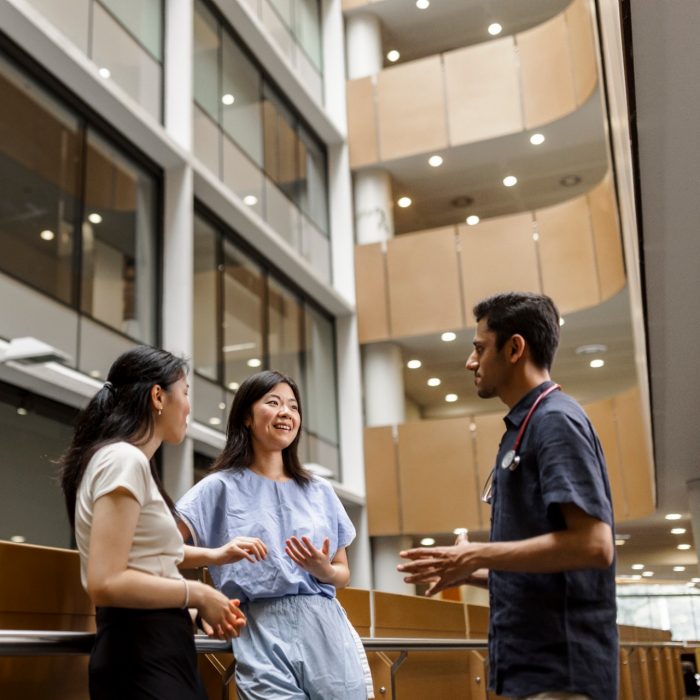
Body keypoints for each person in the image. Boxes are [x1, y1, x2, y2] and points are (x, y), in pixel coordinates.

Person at [398, 292, 618, 700]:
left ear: (515, 348)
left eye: (479, 348)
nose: (470, 362)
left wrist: (477, 554)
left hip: (561, 675)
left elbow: (594, 545)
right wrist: (473, 572)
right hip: (529, 671)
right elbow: (546, 565)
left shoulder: (555, 421)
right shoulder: (524, 427)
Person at [60, 346, 251, 700]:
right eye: (187, 393)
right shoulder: (124, 460)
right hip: (140, 655)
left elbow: (149, 556)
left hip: (155, 649)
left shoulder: (126, 460)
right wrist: (198, 593)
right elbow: (107, 581)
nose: (189, 407)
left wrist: (194, 610)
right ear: (158, 396)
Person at [176, 370, 372, 700]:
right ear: (247, 418)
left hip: (324, 627)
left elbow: (343, 574)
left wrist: (323, 570)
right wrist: (207, 576)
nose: (286, 413)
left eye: (293, 407)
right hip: (256, 628)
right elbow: (161, 548)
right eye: (273, 402)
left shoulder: (319, 491)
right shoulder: (218, 487)